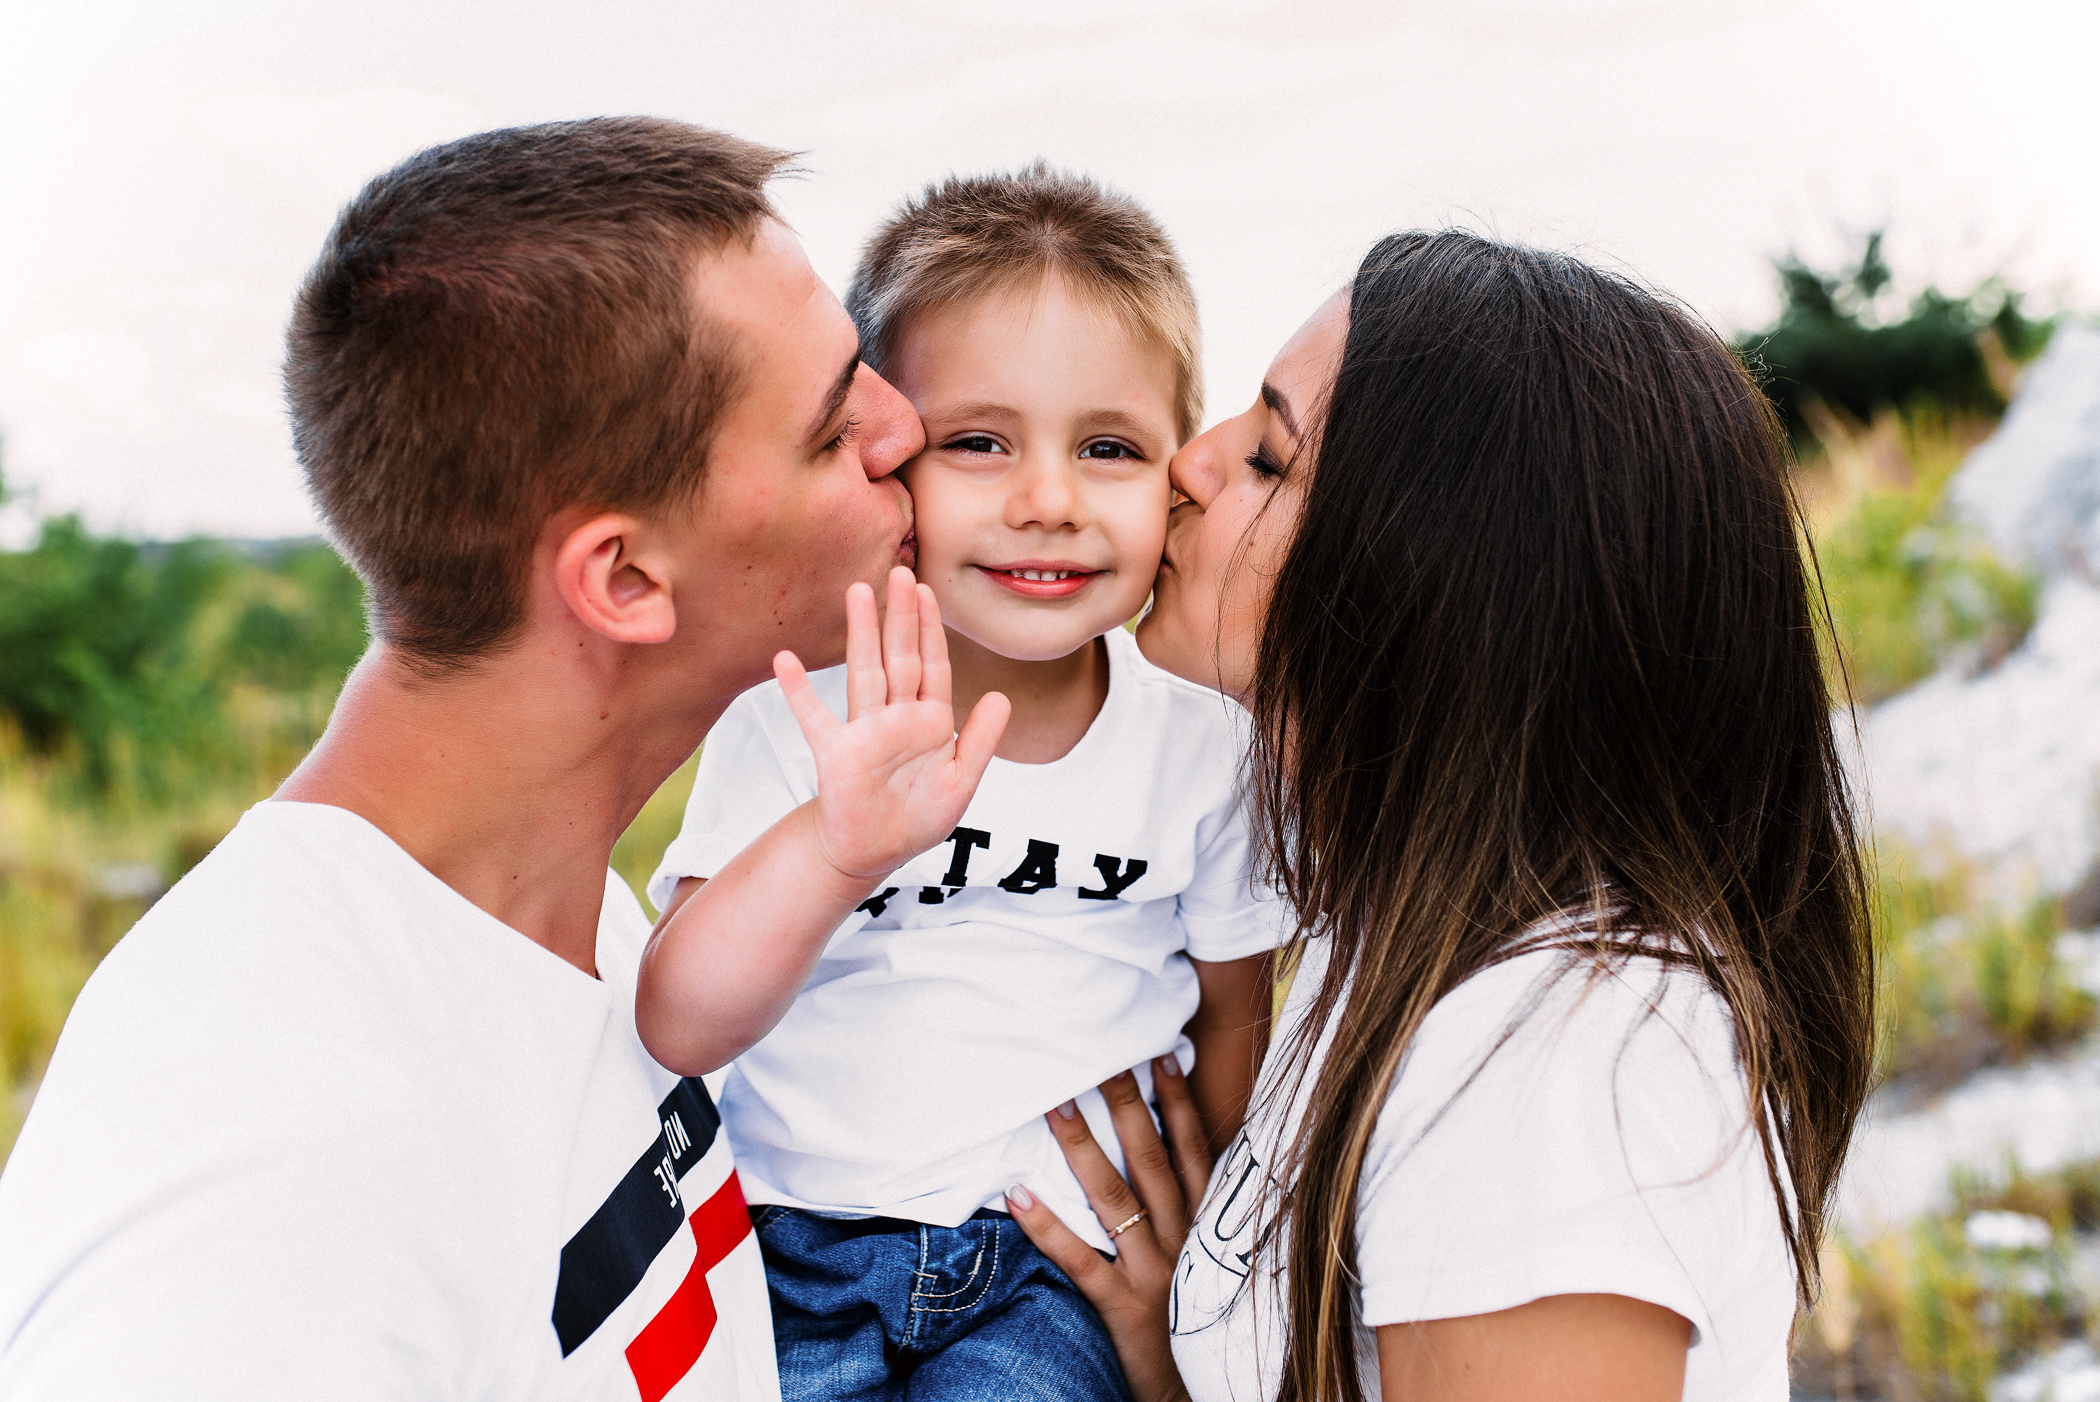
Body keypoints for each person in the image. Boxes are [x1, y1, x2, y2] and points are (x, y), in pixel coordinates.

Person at [0, 117, 964, 1401]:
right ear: (624, 579)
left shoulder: (559, 920)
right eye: (834, 428)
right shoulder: (268, 1158)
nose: (908, 428)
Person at [1000, 230, 1877, 1401]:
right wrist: (1172, 1366)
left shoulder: (1553, 1062)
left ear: (1430, 579)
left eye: (1267, 457)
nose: (1188, 466)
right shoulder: (1404, 931)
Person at [636, 165, 1282, 1402]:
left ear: (1173, 477)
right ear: (886, 462)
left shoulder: (1203, 747)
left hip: (1060, 1269)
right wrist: (835, 847)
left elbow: (1232, 1023)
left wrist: (1201, 1255)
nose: (1047, 502)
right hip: (790, 1247)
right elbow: (680, 1018)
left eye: (1108, 448)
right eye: (978, 443)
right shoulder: (797, 713)